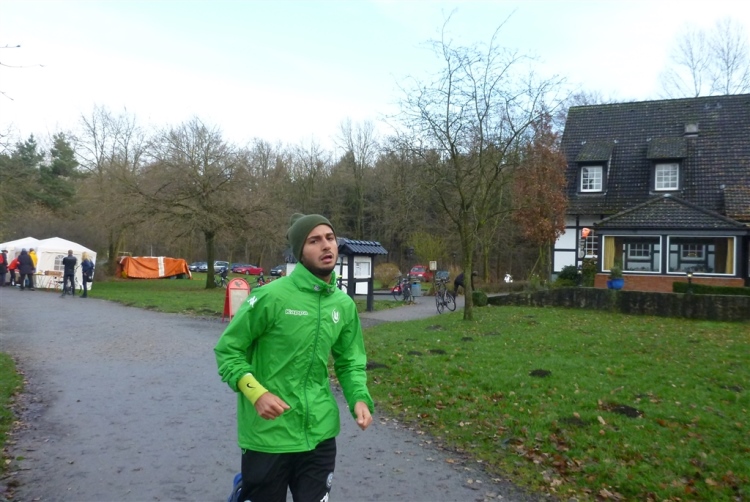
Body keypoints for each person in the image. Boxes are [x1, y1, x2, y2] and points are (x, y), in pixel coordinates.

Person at [214, 213, 373, 502]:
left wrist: (359, 398)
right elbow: (228, 350)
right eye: (314, 240)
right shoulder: (270, 297)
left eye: (330, 238)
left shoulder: (343, 305)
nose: (326, 245)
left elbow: (350, 361)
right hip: (268, 436)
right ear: (300, 251)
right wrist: (256, 393)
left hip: (320, 434)